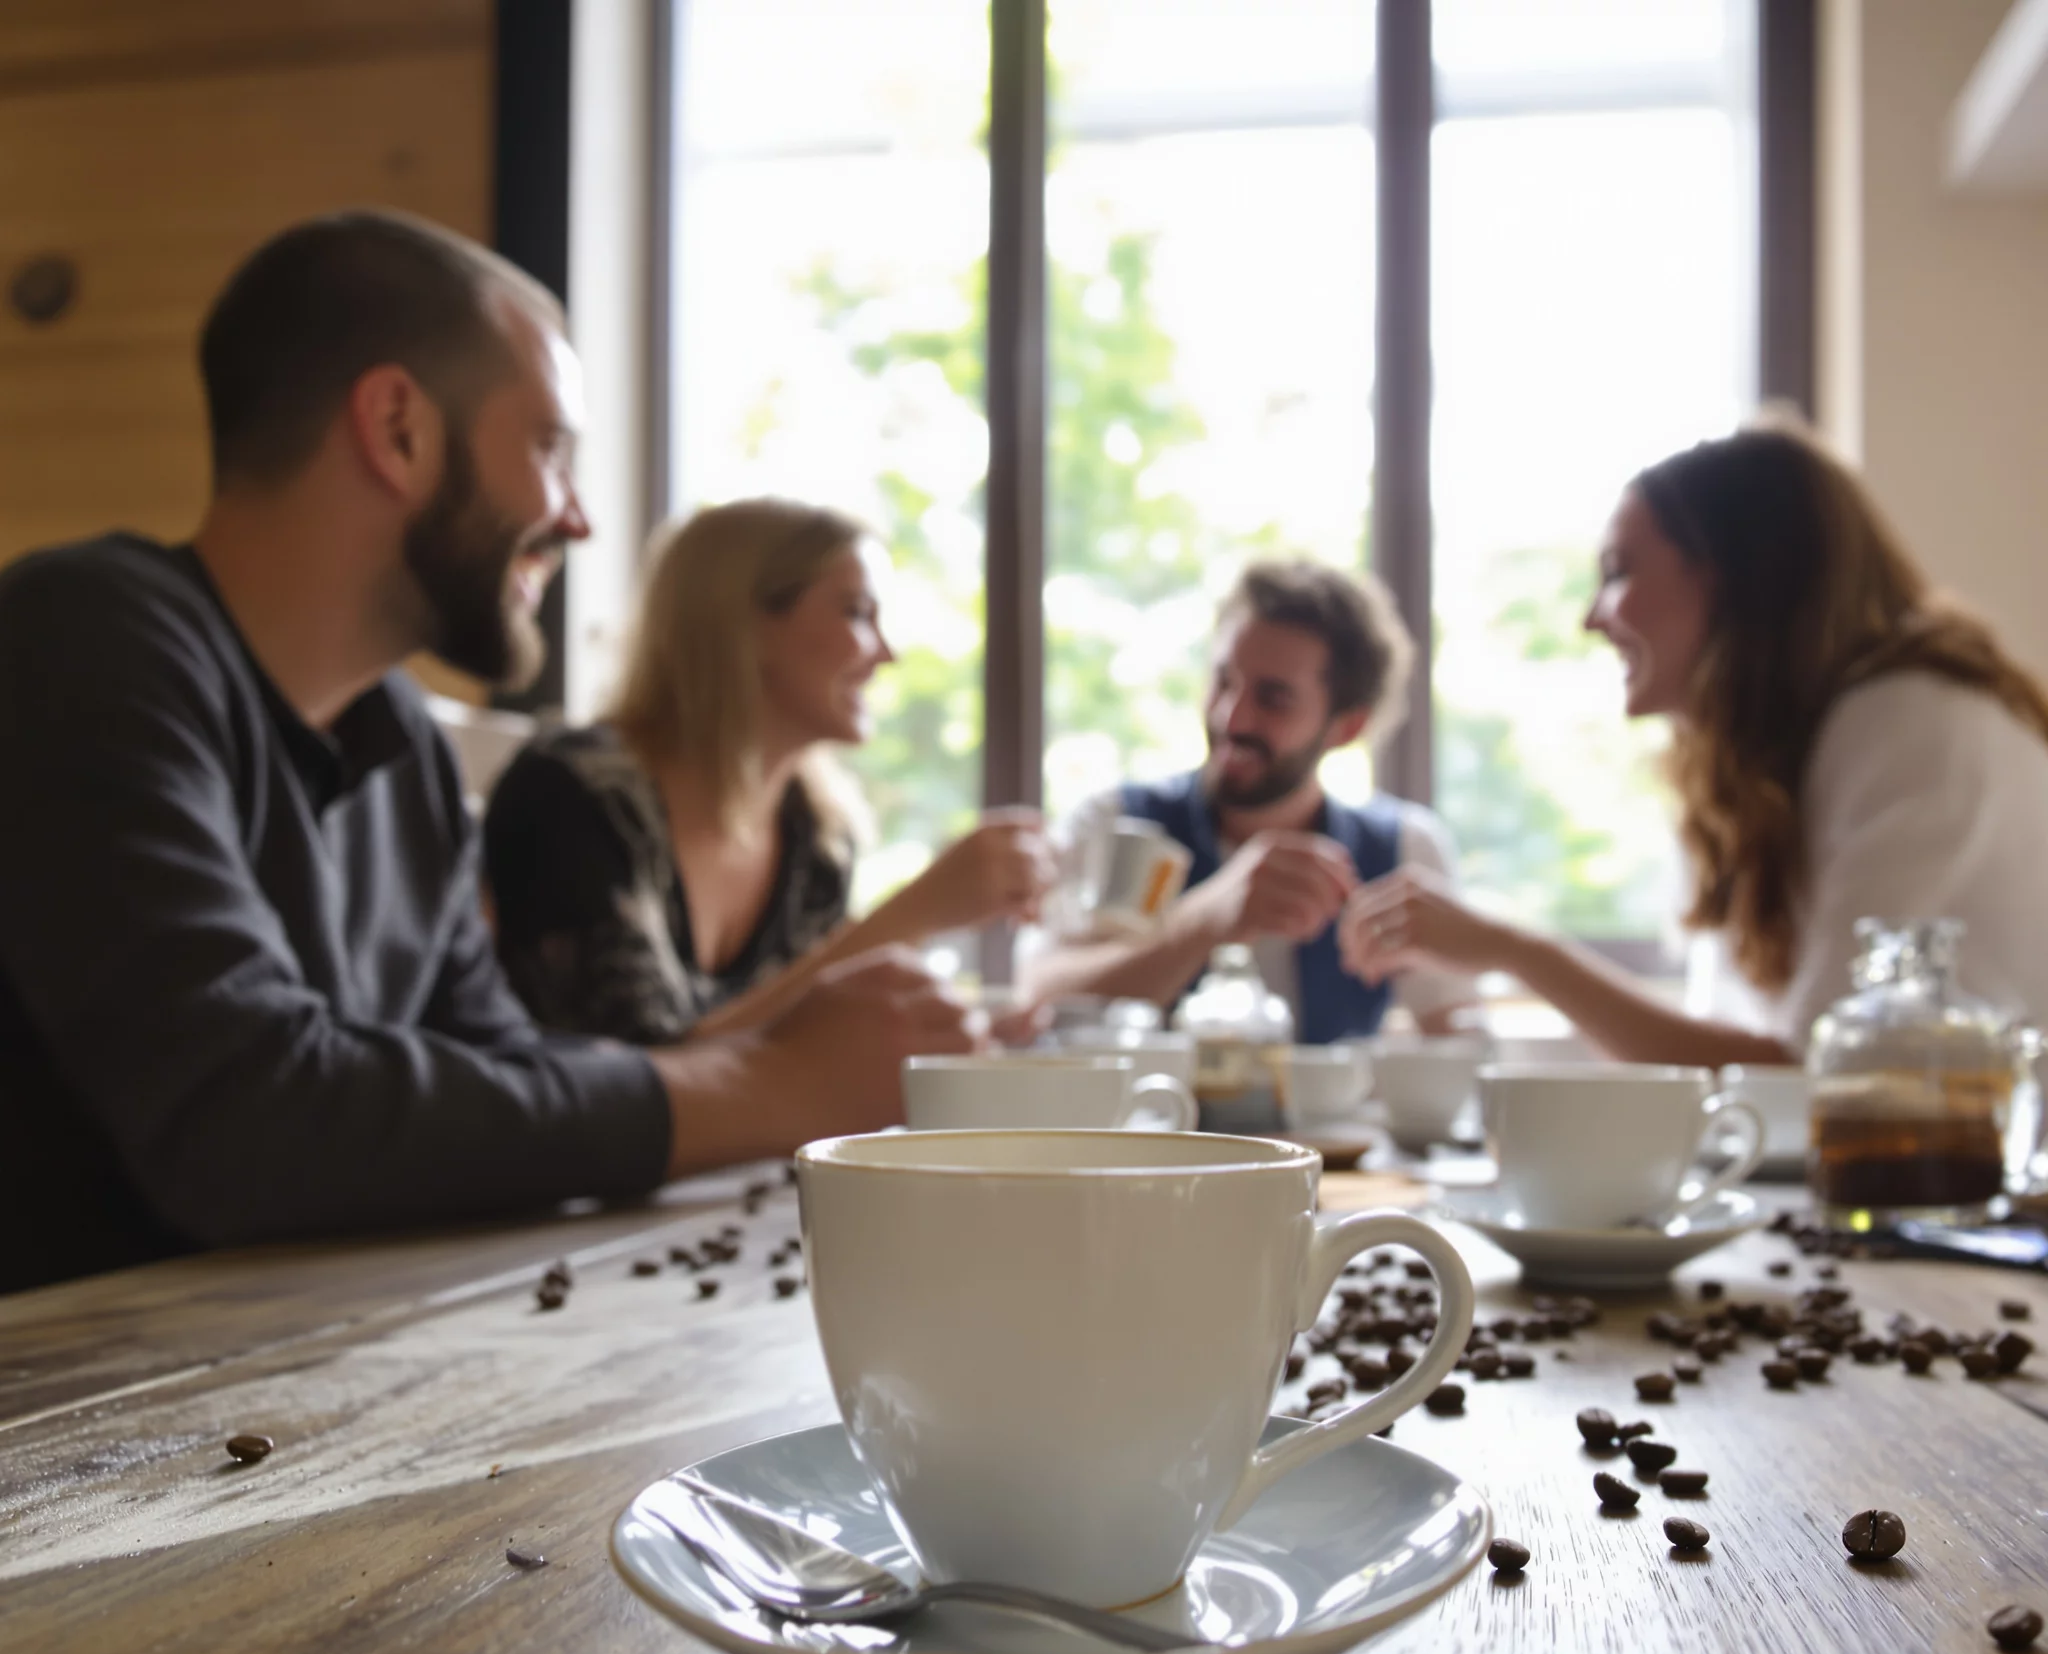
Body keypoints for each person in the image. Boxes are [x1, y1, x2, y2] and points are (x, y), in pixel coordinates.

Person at [0, 211, 972, 1297]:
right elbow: (244, 1122)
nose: (581, 520)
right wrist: (771, 1089)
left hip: (265, 1386)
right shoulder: (79, 638)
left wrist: (791, 1066)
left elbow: (504, 1080)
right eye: (551, 448)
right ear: (399, 429)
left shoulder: (402, 744)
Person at [1339, 419, 2048, 1060]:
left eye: (1619, 572)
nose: (1591, 619)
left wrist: (1512, 950)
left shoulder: (1910, 724)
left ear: (1739, 579)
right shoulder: (1753, 764)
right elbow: (1735, 1057)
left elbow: (1821, 1078)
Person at [483, 499, 1054, 1044]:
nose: (887, 653)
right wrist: (915, 912)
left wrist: (960, 1039)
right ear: (744, 624)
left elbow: (795, 1056)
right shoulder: (577, 793)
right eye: (856, 613)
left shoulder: (816, 835)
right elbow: (643, 1092)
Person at [1021, 559, 1478, 1042]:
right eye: (1223, 681)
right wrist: (1203, 919)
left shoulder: (1405, 849)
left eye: (1273, 698)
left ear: (1347, 727)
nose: (1231, 717)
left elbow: (1457, 1034)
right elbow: (1037, 997)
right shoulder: (1113, 821)